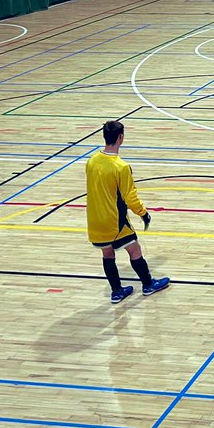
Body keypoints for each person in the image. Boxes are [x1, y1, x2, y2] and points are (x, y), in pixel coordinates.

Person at [85, 120, 169, 303]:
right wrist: (143, 213)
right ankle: (148, 284)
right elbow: (130, 197)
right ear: (121, 137)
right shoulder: (121, 167)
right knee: (135, 250)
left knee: (107, 254)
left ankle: (116, 292)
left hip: (94, 220)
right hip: (115, 222)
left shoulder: (91, 161)